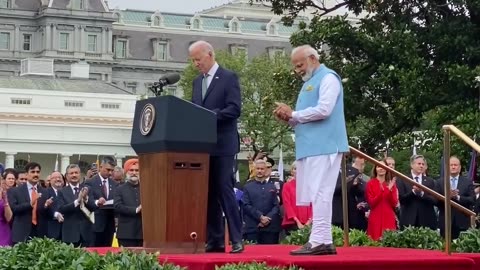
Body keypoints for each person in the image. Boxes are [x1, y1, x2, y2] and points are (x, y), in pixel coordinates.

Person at [274, 44, 349, 255]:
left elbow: (325, 110)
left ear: (313, 59)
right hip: (312, 146)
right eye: (295, 66)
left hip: (324, 145)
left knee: (320, 193)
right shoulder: (311, 81)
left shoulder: (328, 78)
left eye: (300, 64)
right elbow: (305, 116)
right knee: (318, 193)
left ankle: (319, 241)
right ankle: (322, 240)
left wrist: (294, 114)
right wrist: (289, 118)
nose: (297, 69)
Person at [189, 40, 243, 253]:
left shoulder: (228, 78)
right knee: (208, 194)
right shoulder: (196, 82)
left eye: (198, 59)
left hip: (223, 144)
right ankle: (215, 239)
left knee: (224, 190)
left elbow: (234, 109)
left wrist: (210, 117)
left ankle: (237, 238)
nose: (196, 64)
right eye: (193, 60)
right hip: (203, 146)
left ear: (209, 55)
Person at [365, 160, 398, 241]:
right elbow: (372, 203)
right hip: (375, 217)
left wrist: (390, 190)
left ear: (387, 169)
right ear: (375, 169)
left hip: (388, 217)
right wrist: (385, 190)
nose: (381, 169)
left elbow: (394, 203)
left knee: (388, 243)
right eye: (379, 166)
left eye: (383, 167)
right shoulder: (370, 183)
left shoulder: (391, 184)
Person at [114, 158, 143, 247]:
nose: (134, 173)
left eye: (137, 170)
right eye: (131, 170)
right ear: (126, 172)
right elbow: (118, 207)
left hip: (143, 233)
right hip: (126, 234)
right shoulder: (119, 189)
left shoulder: (146, 188)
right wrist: (136, 210)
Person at [281, 162, 312, 236]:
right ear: (292, 172)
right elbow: (287, 204)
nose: (298, 171)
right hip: (292, 222)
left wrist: (309, 221)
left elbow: (313, 204)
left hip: (308, 222)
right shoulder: (287, 186)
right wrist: (297, 221)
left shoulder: (309, 186)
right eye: (295, 169)